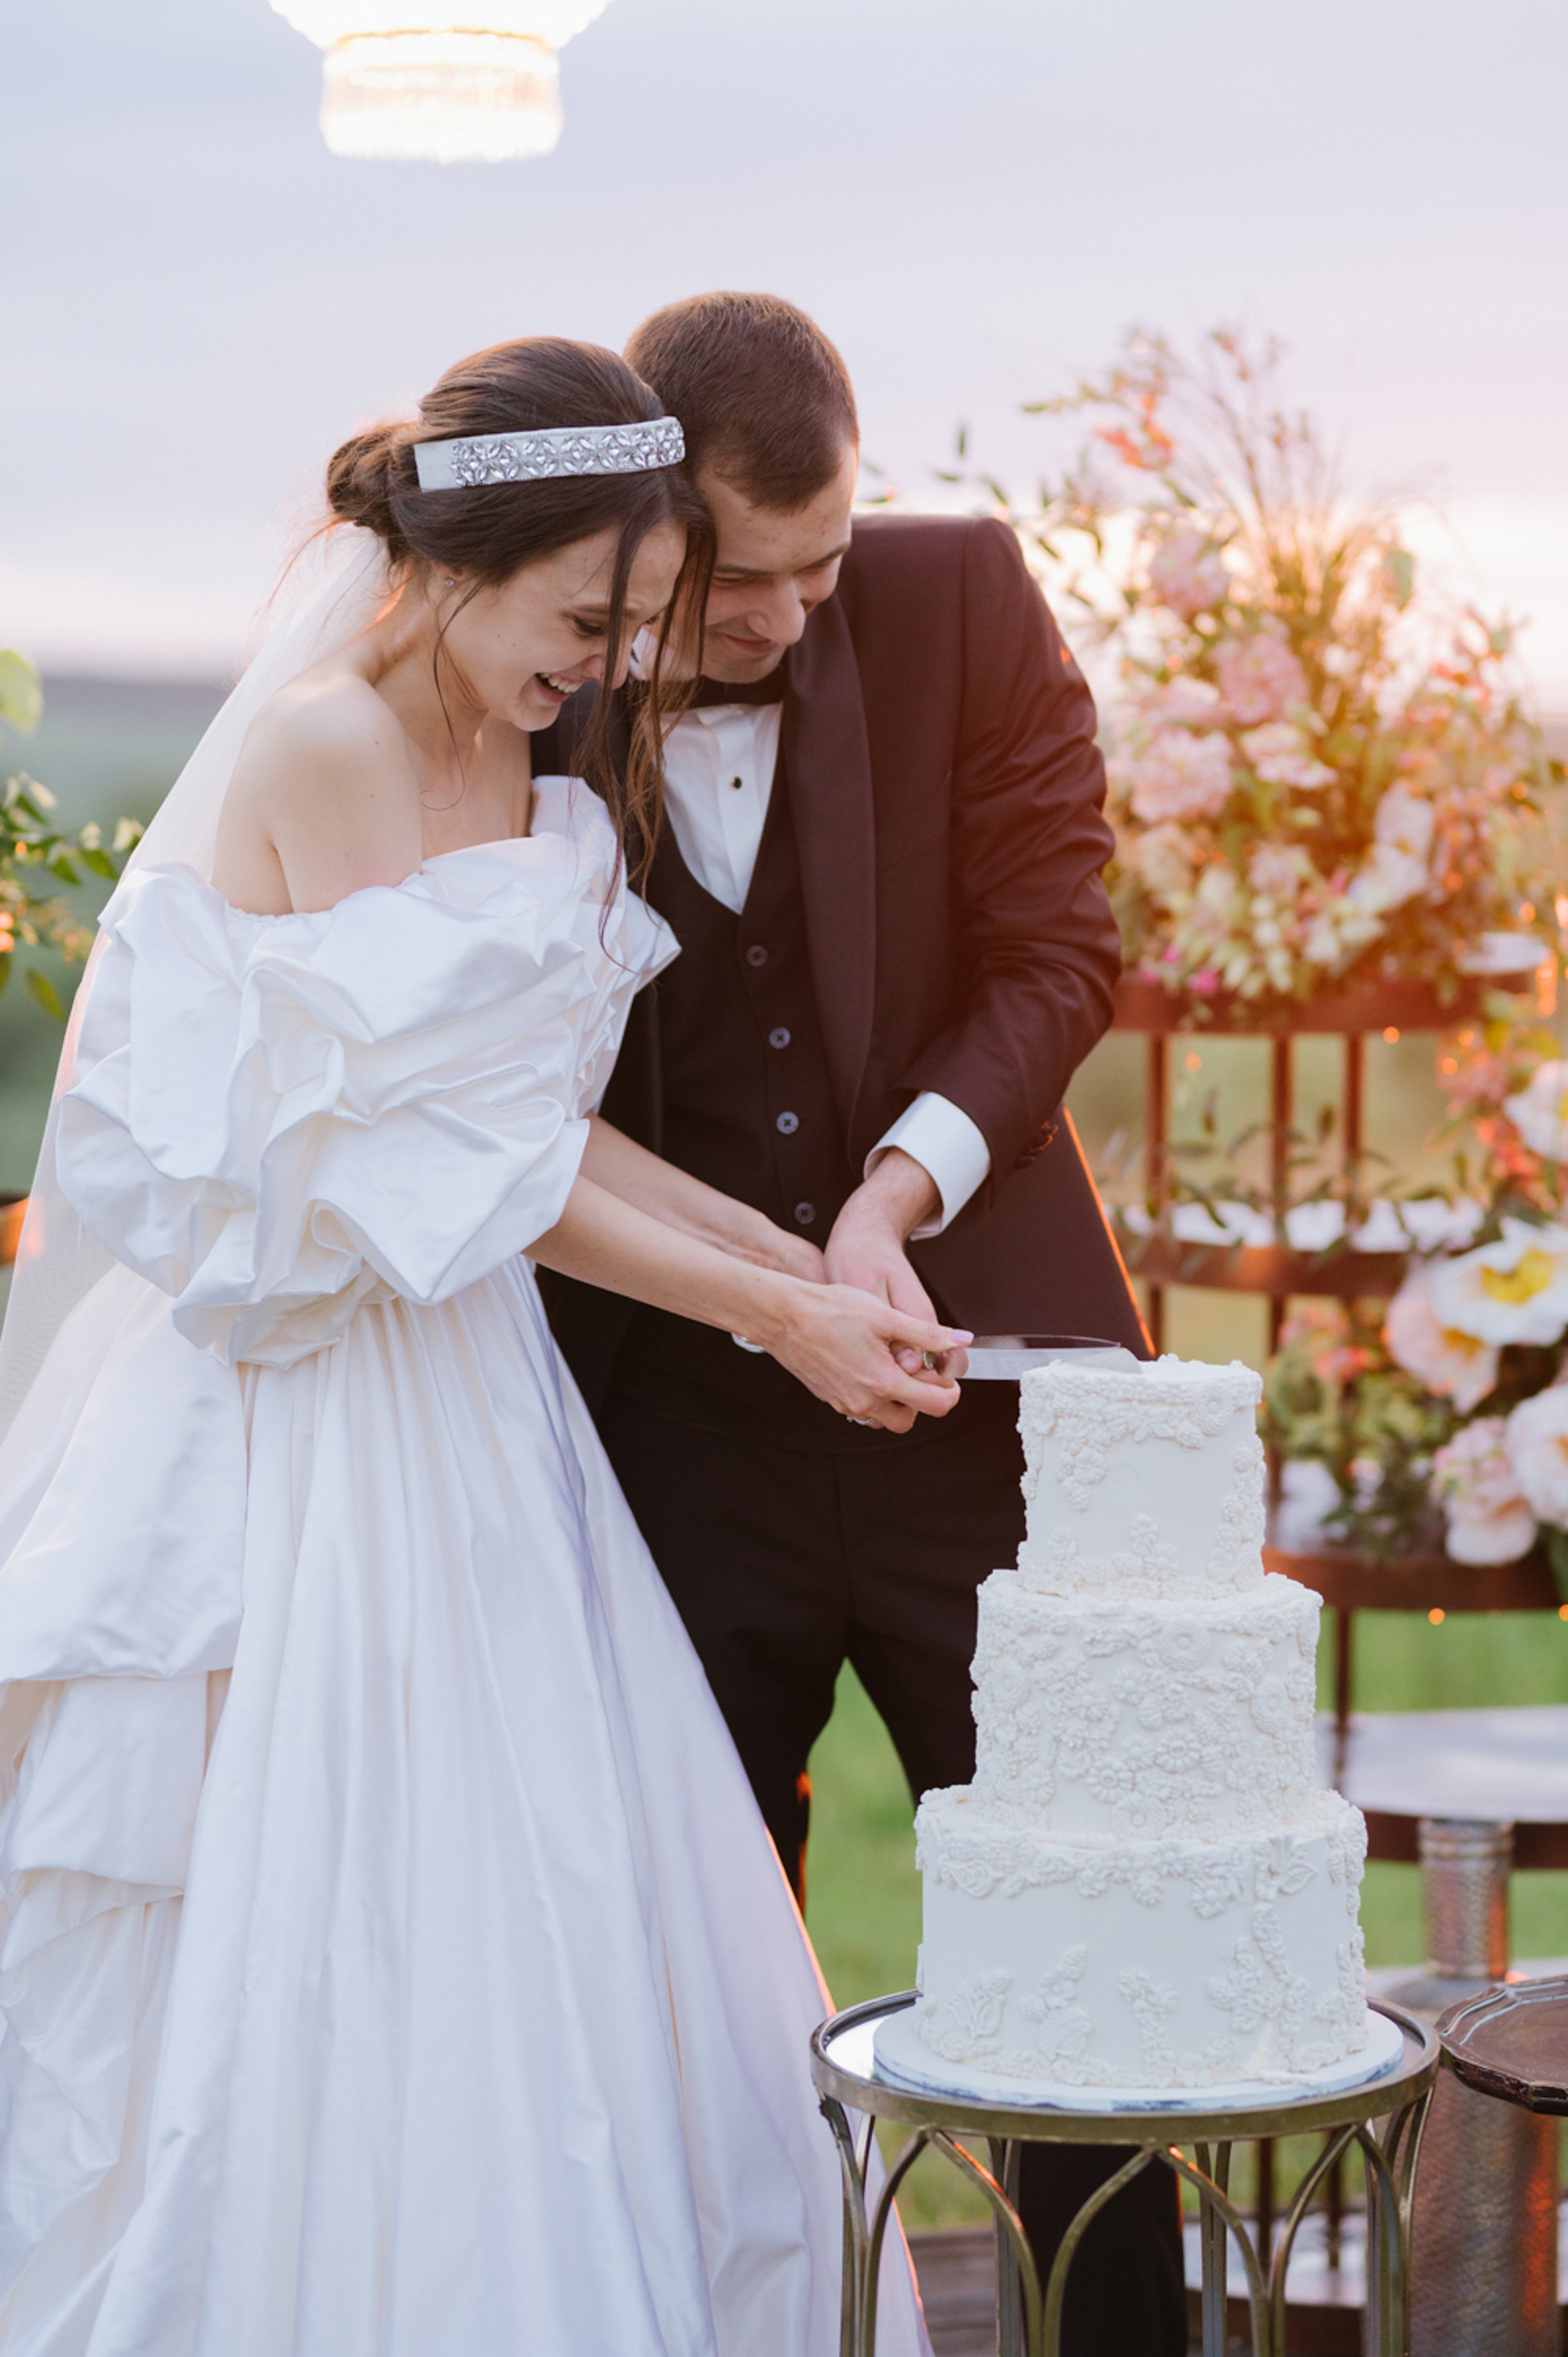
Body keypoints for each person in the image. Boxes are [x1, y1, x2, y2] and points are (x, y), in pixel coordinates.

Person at [0, 338, 948, 2354]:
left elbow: (536, 1127)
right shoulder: (329, 748)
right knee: (338, 1899)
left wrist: (799, 1256)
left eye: (632, 624)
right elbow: (458, 1176)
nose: (609, 664)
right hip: (323, 1411)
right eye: (585, 615)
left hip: (475, 1391)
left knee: (556, 1902)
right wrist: (780, 1318)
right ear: (458, 561)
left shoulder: (514, 758)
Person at [539, 292, 1187, 2357]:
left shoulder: (959, 601)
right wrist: (758, 1289)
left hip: (966, 1404)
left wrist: (891, 1202)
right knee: (686, 1972)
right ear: (648, 524)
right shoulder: (538, 658)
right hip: (662, 1427)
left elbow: (1059, 943)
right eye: (749, 579)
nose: (796, 617)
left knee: (1075, 1943)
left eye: (829, 560)